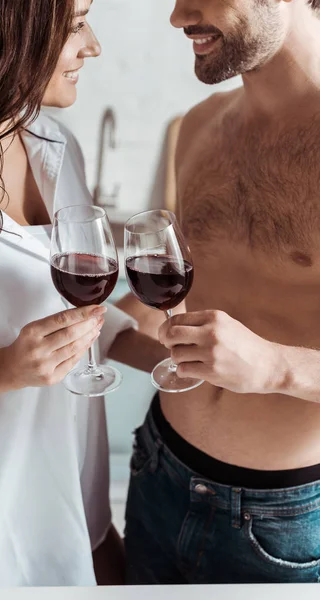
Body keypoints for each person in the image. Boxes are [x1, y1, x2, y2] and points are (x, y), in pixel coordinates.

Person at [0, 0, 164, 588]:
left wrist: (145, 349)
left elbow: (62, 313)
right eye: (75, 23)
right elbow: (10, 350)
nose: (93, 45)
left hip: (73, 527)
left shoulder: (56, 143)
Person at [123, 0, 320, 585]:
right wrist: (89, 329)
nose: (179, 17)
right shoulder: (197, 127)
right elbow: (169, 298)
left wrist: (278, 368)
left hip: (280, 520)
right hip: (158, 467)